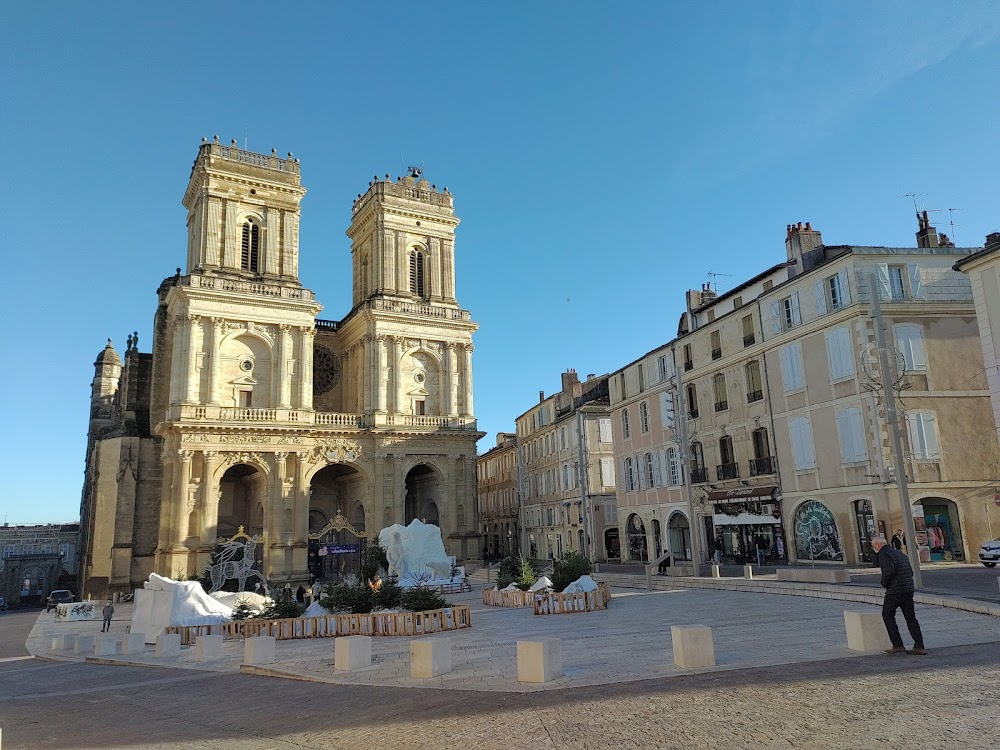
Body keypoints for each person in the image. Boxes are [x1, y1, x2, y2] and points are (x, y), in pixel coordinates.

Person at [870, 534, 926, 655]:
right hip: (907, 589)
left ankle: (897, 644)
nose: (873, 548)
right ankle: (919, 645)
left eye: (873, 546)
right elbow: (909, 571)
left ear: (877, 545)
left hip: (895, 591)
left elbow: (889, 571)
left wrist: (884, 583)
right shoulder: (899, 553)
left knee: (887, 615)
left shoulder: (884, 554)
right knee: (910, 618)